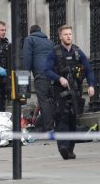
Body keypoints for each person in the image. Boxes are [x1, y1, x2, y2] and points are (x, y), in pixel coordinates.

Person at [44, 25, 95, 160]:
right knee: (62, 117)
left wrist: (90, 85)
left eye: (70, 34)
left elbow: (89, 70)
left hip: (75, 90)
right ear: (60, 36)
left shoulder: (77, 52)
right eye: (65, 34)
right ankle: (63, 147)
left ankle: (70, 150)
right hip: (60, 91)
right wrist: (59, 78)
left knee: (73, 119)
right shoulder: (54, 52)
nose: (68, 36)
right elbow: (47, 70)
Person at [22, 25, 55, 131]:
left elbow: (27, 57)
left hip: (41, 74)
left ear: (30, 32)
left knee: (44, 100)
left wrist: (24, 75)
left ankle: (49, 128)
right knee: (51, 100)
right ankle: (54, 125)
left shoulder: (29, 39)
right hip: (53, 74)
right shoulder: (50, 42)